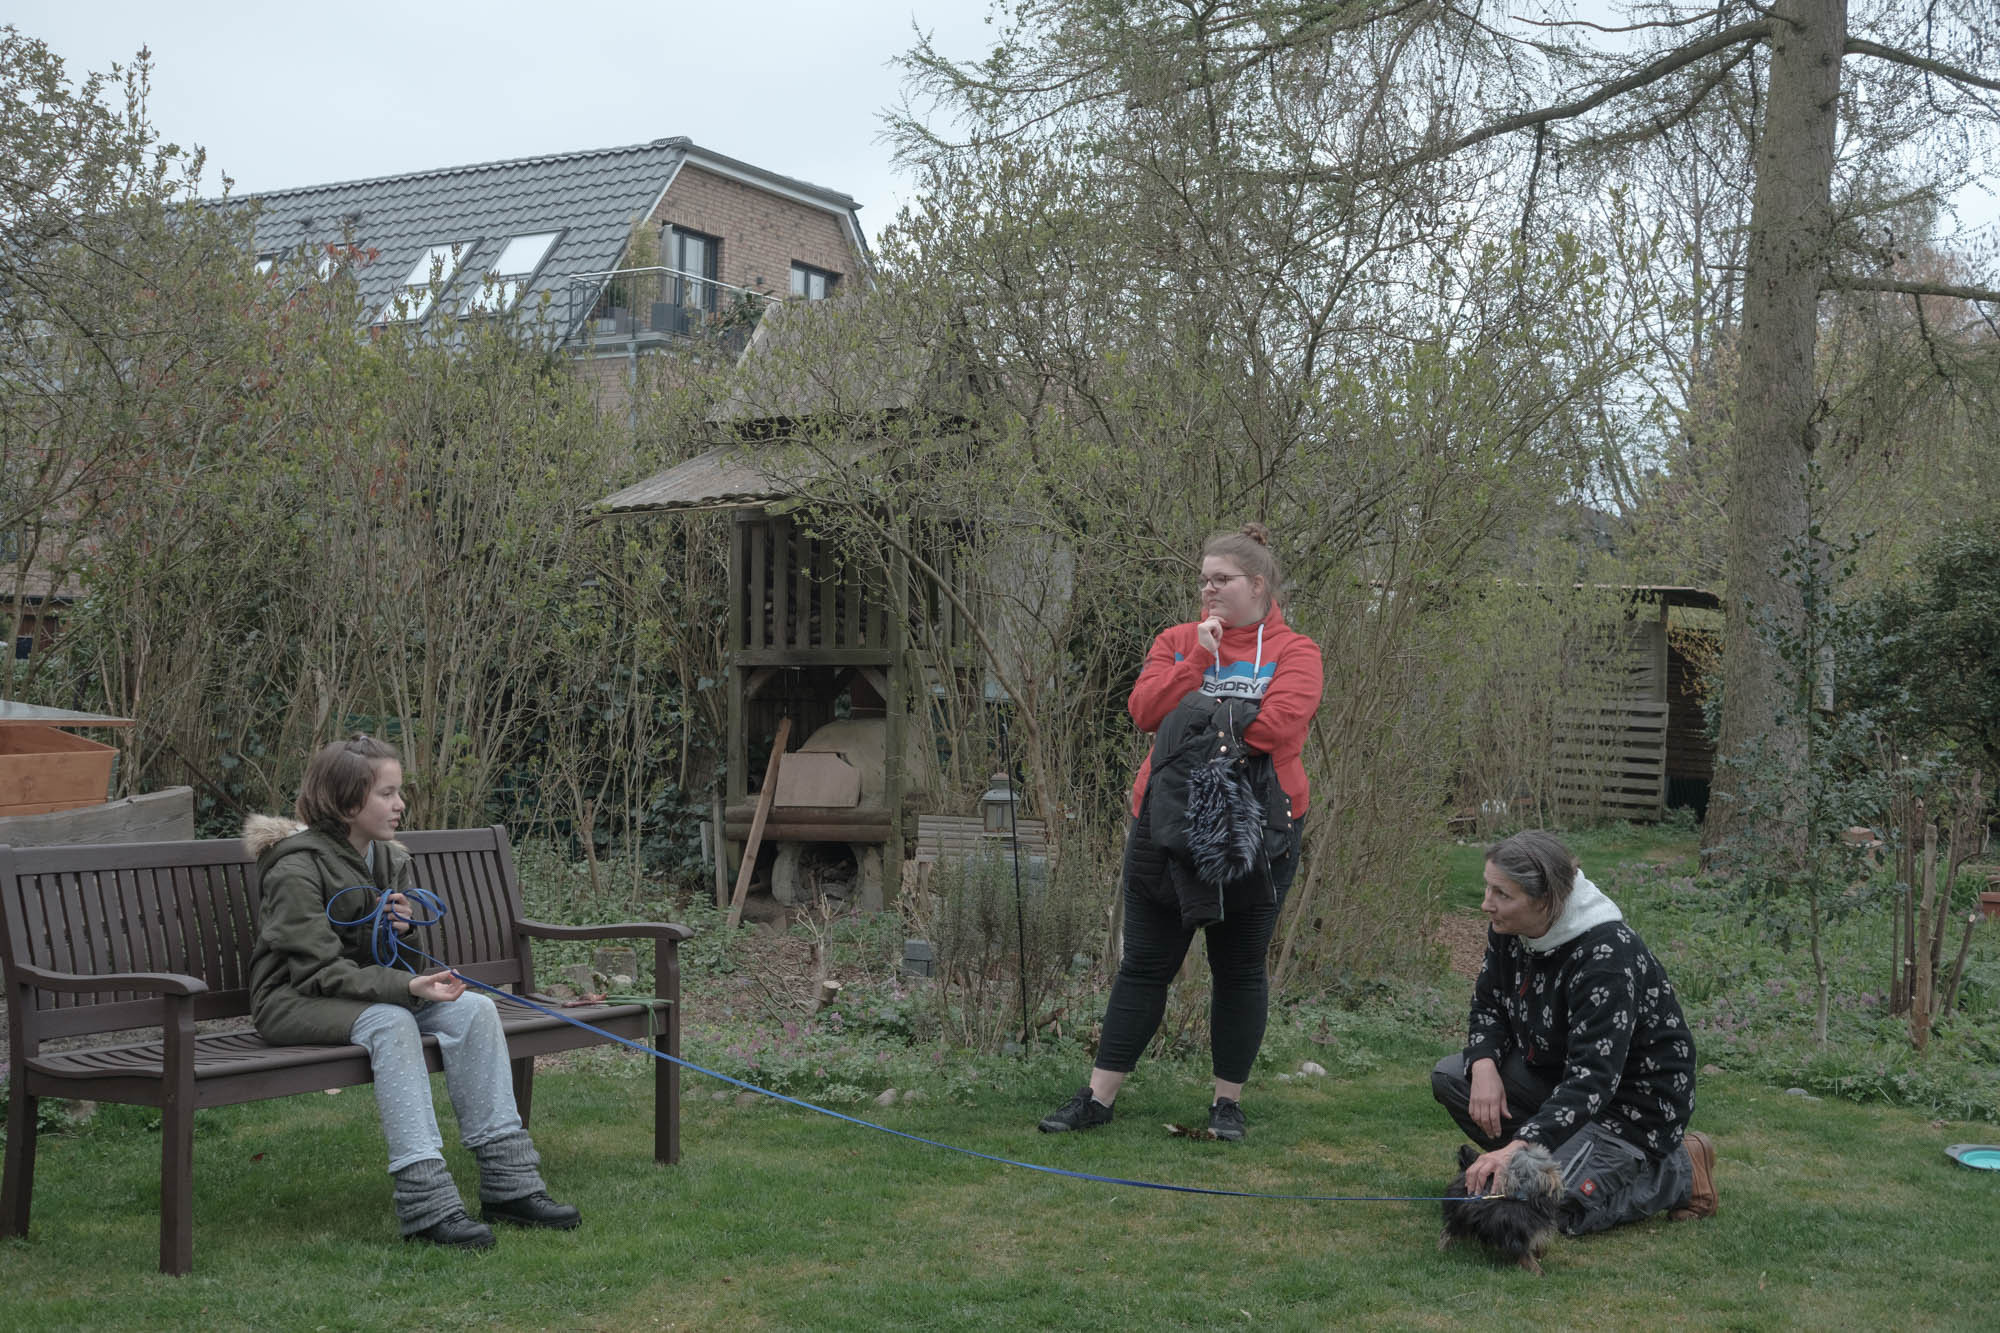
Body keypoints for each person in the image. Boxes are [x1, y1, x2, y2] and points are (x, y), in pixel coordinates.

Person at [1039, 524, 1324, 1141]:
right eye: (1202, 579)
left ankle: (1227, 1105)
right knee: (1144, 964)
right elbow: (1145, 713)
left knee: (1240, 967)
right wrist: (1197, 660)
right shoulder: (1175, 641)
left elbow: (1278, 726)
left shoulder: (1295, 651)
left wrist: (1188, 726)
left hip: (1258, 834)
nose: (1208, 590)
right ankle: (1098, 1098)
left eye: (1220, 579)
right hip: (1162, 830)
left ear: (1257, 583)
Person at [245, 735, 580, 1249]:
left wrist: (404, 936)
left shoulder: (388, 859)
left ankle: (510, 1185)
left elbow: (400, 963)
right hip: (294, 1001)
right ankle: (426, 1205)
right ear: (344, 799)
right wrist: (405, 986)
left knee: (473, 1011)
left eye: (398, 791)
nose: (400, 805)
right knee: (392, 1021)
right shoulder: (295, 866)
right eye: (386, 793)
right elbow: (316, 971)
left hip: (366, 995)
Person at [1431, 830, 1718, 1234]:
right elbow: (1488, 1003)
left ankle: (1679, 1170)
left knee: (1543, 1212)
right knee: (1452, 1076)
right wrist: (1483, 1066)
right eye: (1487, 888)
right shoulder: (1507, 933)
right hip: (1553, 1081)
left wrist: (1515, 1148)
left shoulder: (1607, 956)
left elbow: (1594, 1079)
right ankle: (1556, 1158)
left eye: (1502, 894)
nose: (1486, 905)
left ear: (1544, 900)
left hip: (1630, 1109)